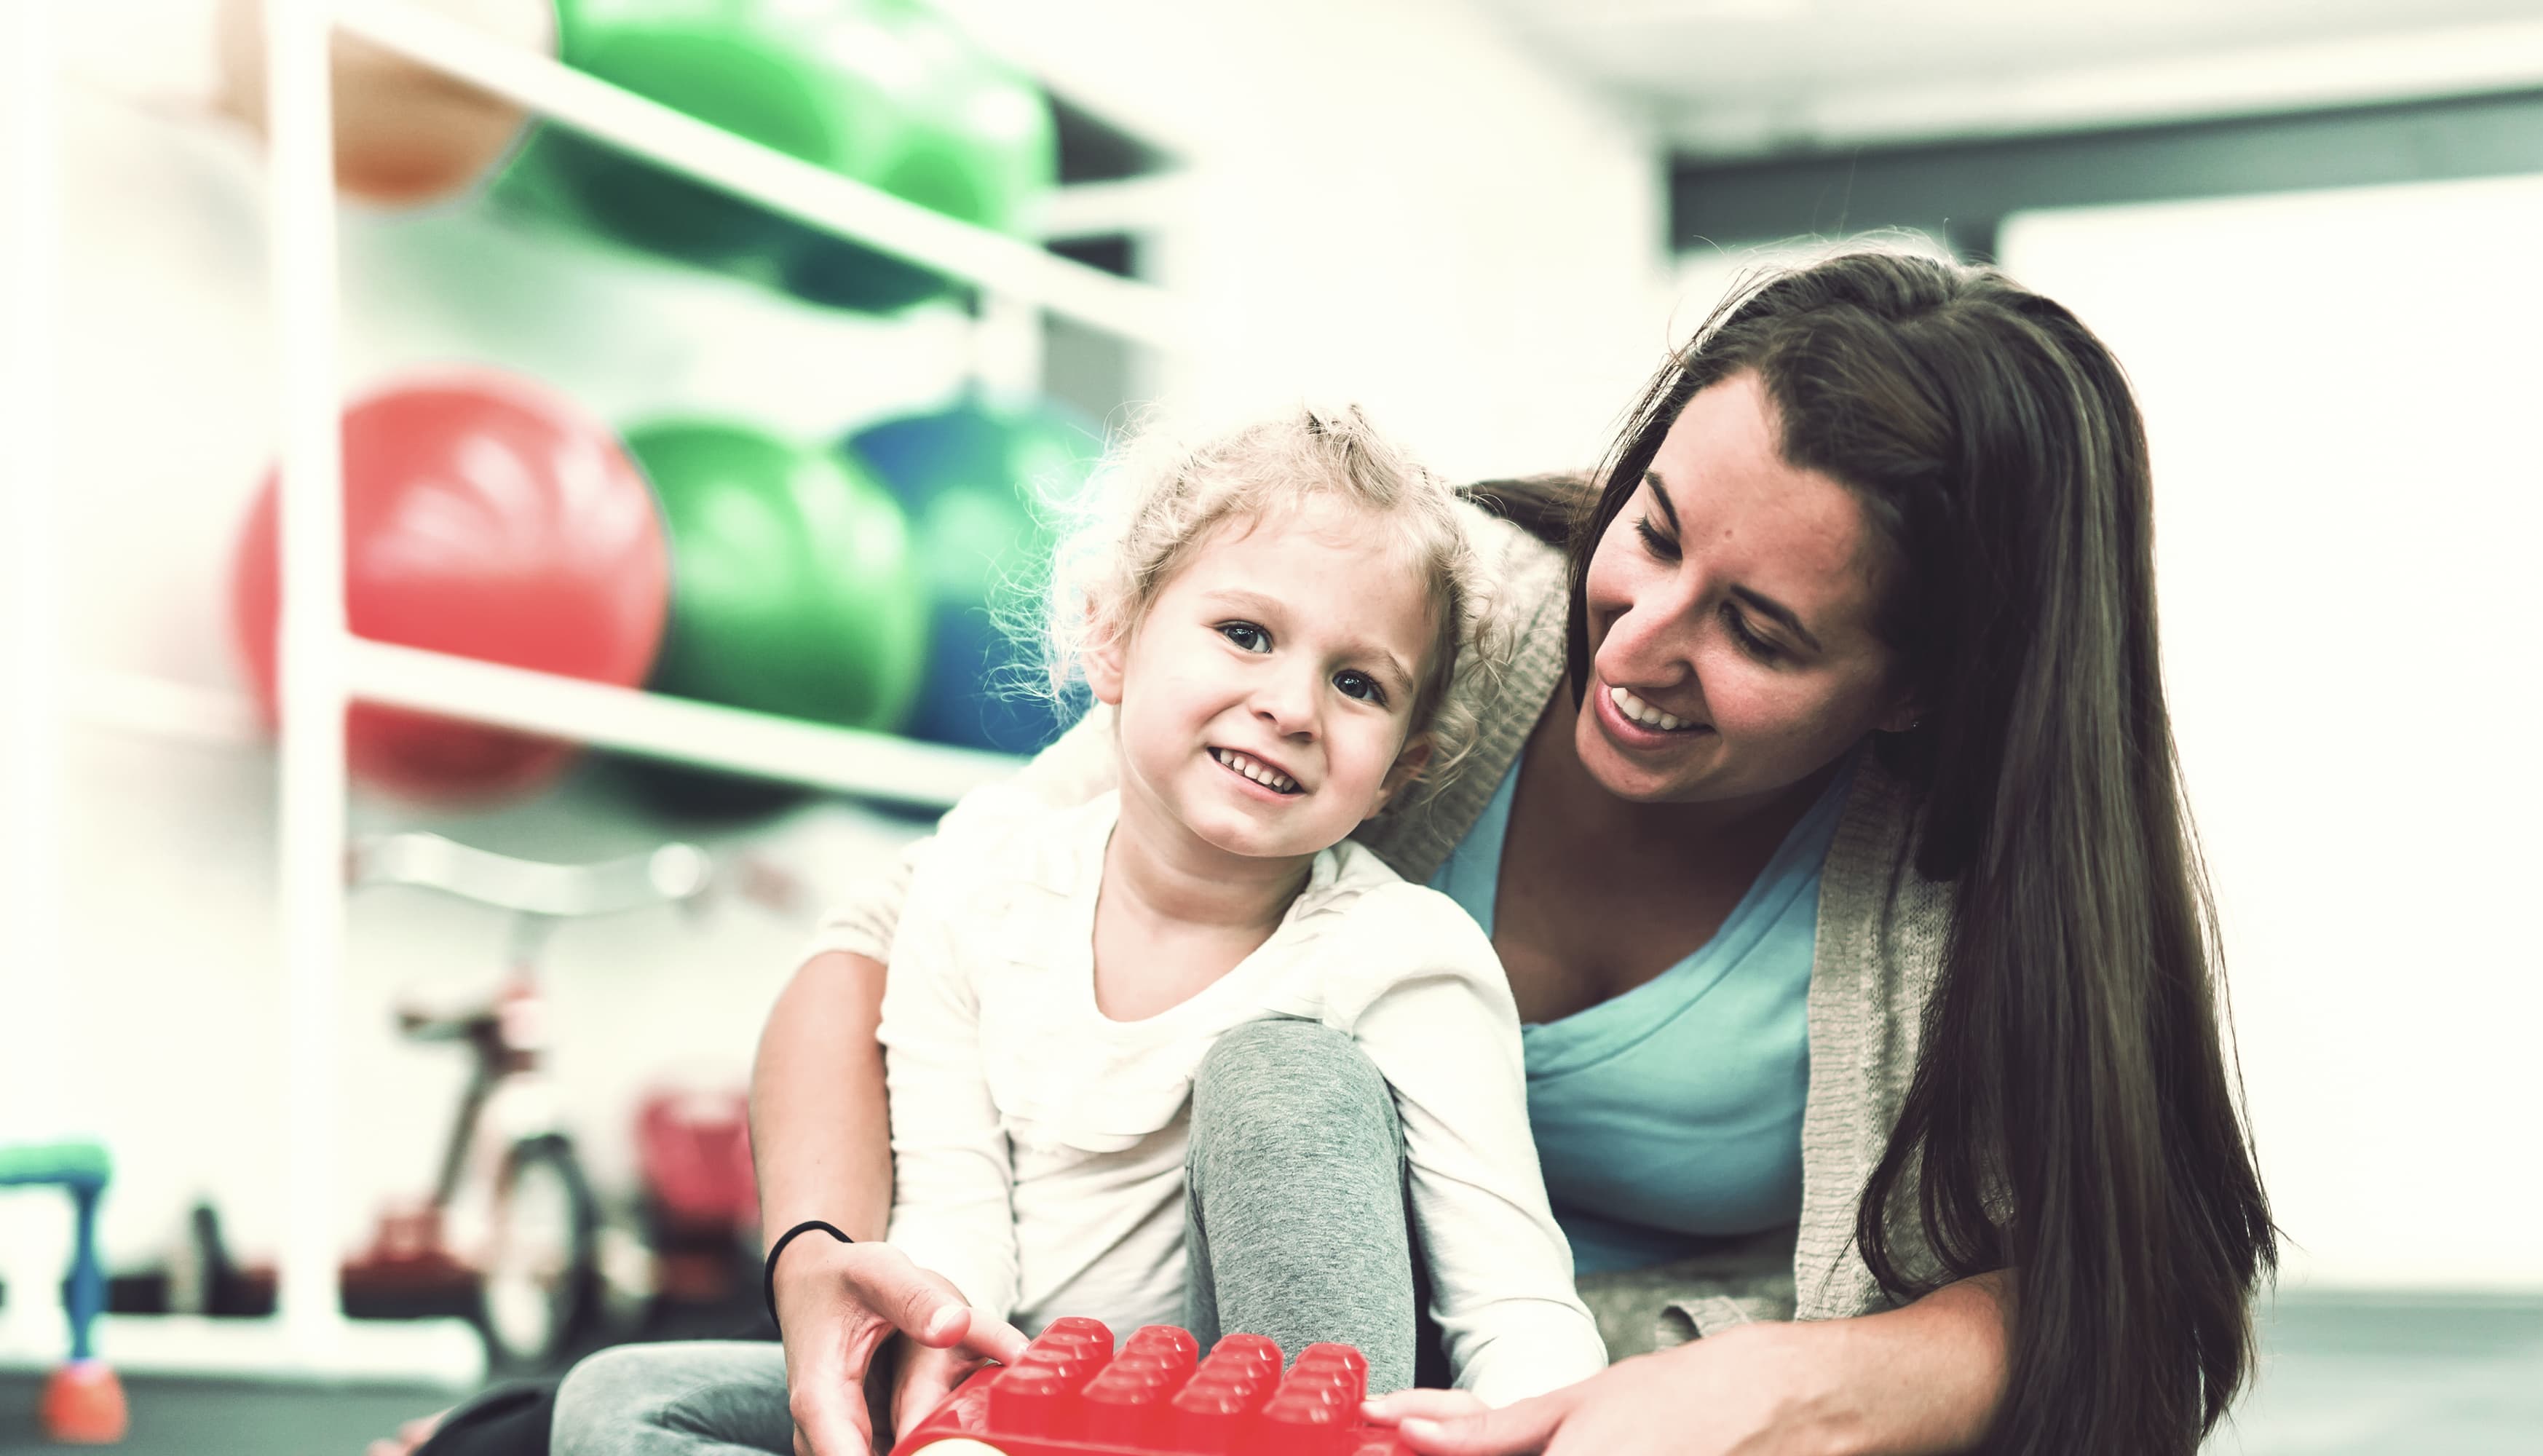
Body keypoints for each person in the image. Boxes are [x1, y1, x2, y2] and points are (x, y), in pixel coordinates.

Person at [381, 247, 2275, 1456]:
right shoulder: (1421, 621)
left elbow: (2122, 1306)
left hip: (1482, 1395)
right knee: (584, 1424)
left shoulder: (1956, 886)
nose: (1639, 639)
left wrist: (1741, 1391)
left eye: (1760, 635)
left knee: (1295, 1091)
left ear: (1924, 693)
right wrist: (829, 1262)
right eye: (1655, 527)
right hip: (1106, 1343)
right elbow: (882, 950)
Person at [545, 406, 1608, 1454]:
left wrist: (1554, 1430)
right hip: (1018, 1388)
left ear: (1401, 772)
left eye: (1358, 684)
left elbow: (1515, 1308)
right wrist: (945, 1376)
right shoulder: (977, 881)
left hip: (1244, 1421)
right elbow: (953, 1201)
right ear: (1112, 639)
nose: (1292, 705)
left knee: (1287, 1077)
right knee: (619, 1399)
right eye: (1246, 634)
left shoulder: (1406, 958)